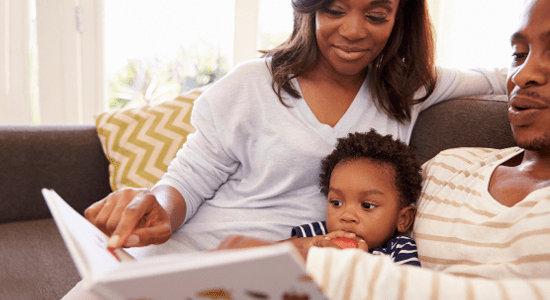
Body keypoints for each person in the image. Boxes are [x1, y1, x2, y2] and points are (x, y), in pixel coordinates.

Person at [65, 0, 506, 297]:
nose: (354, 32)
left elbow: (501, 76)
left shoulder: (407, 88)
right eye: (334, 9)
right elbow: (185, 181)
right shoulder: (251, 84)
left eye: (377, 15)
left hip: (274, 274)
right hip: (188, 257)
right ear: (308, 8)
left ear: (399, 19)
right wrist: (156, 205)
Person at [215, 0, 550, 298]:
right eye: (519, 55)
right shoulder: (446, 166)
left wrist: (335, 271)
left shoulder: (407, 89)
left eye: (375, 15)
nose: (524, 74)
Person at [284, 129, 422, 266]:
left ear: (403, 219)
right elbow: (267, 253)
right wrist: (302, 245)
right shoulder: (318, 234)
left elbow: (405, 287)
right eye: (336, 202)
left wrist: (357, 264)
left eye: (367, 205)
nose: (347, 216)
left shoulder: (399, 250)